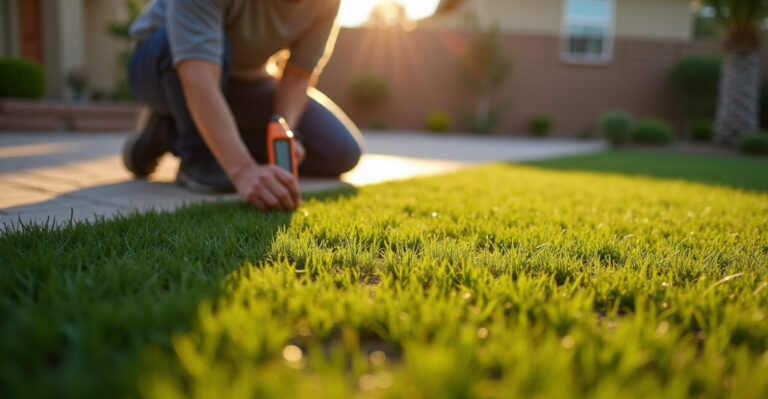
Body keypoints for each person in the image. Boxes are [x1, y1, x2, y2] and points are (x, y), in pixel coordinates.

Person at [123, 0, 364, 211]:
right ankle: (189, 146)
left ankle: (182, 131)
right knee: (215, 49)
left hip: (246, 79)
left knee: (341, 151)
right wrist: (243, 171)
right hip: (163, 63)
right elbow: (198, 76)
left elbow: (298, 75)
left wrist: (284, 131)